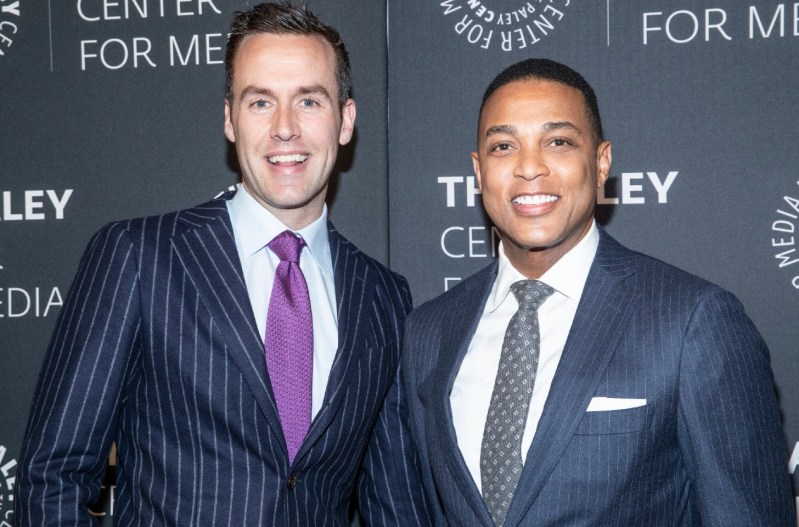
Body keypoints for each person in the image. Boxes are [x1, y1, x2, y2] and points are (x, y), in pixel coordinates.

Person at [15, 2, 412, 525]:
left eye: (310, 101)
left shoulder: (383, 296)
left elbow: (393, 505)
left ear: (346, 121)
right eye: (260, 102)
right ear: (230, 119)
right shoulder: (139, 256)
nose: (285, 129)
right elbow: (53, 478)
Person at [371, 58, 795, 525]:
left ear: (601, 161)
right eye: (503, 146)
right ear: (478, 169)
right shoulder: (428, 332)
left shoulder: (693, 321)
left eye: (558, 142)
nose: (529, 168)